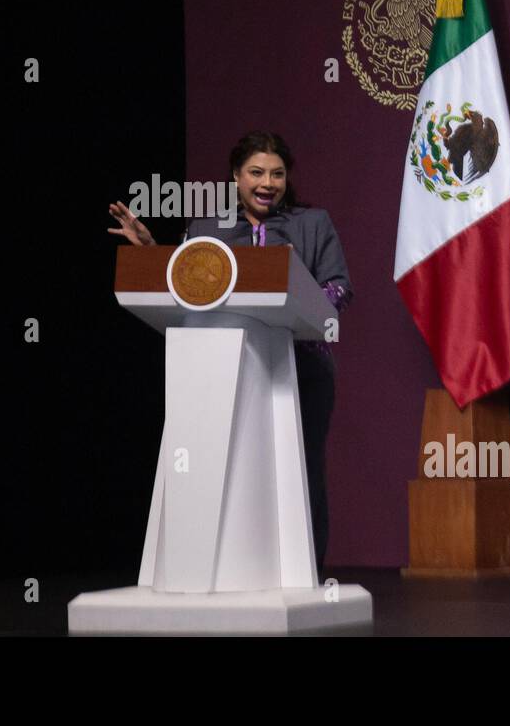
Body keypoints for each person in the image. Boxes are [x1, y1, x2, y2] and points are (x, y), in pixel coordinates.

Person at [107, 130, 352, 576]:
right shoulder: (206, 230)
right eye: (256, 172)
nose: (267, 182)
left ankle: (306, 574)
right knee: (233, 466)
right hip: (223, 369)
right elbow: (187, 286)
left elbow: (338, 287)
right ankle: (230, 572)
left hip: (301, 368)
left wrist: (301, 294)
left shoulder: (313, 224)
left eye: (277, 174)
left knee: (301, 467)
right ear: (236, 177)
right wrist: (151, 250)